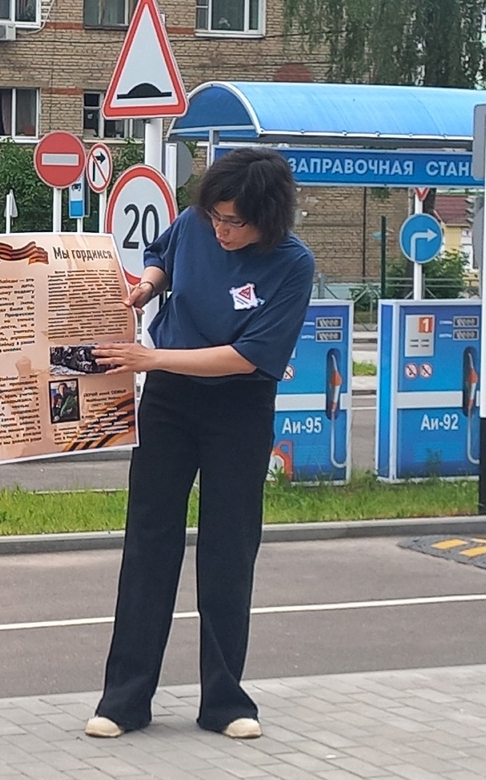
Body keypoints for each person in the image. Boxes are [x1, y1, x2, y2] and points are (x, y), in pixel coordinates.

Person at [84, 147, 314, 742]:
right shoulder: (196, 222)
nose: (221, 231)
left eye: (234, 222)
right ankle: (125, 699)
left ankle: (225, 701)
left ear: (268, 218)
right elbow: (162, 255)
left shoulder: (293, 264)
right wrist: (146, 286)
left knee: (228, 549)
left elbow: (247, 357)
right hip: (169, 403)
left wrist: (152, 357)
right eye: (215, 217)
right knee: (149, 543)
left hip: (239, 405)